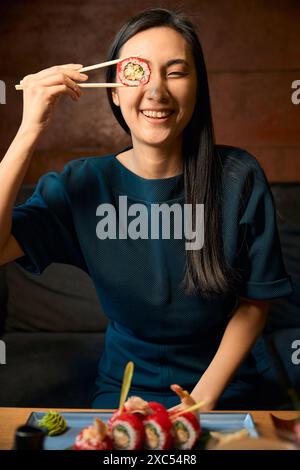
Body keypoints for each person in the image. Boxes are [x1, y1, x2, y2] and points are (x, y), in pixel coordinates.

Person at [0, 8, 293, 411]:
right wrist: (28, 130)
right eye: (139, 72)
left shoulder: (238, 176)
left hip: (225, 390)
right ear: (116, 91)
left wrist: (204, 399)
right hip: (123, 393)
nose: (157, 91)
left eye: (175, 72)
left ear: (197, 88)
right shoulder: (83, 184)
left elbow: (254, 302)